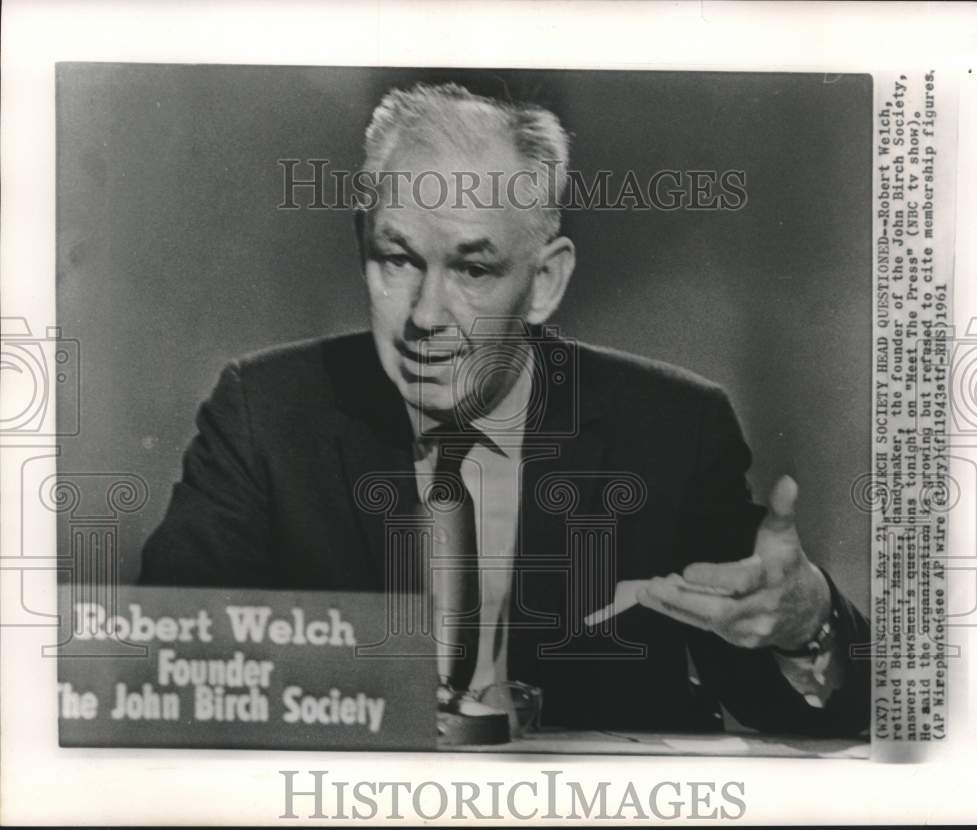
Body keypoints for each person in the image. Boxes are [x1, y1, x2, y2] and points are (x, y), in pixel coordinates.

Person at [140, 83, 870, 737]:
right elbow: (160, 671)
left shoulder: (673, 431)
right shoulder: (263, 414)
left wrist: (806, 625)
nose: (427, 314)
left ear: (546, 282)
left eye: (472, 268)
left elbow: (823, 710)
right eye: (397, 259)